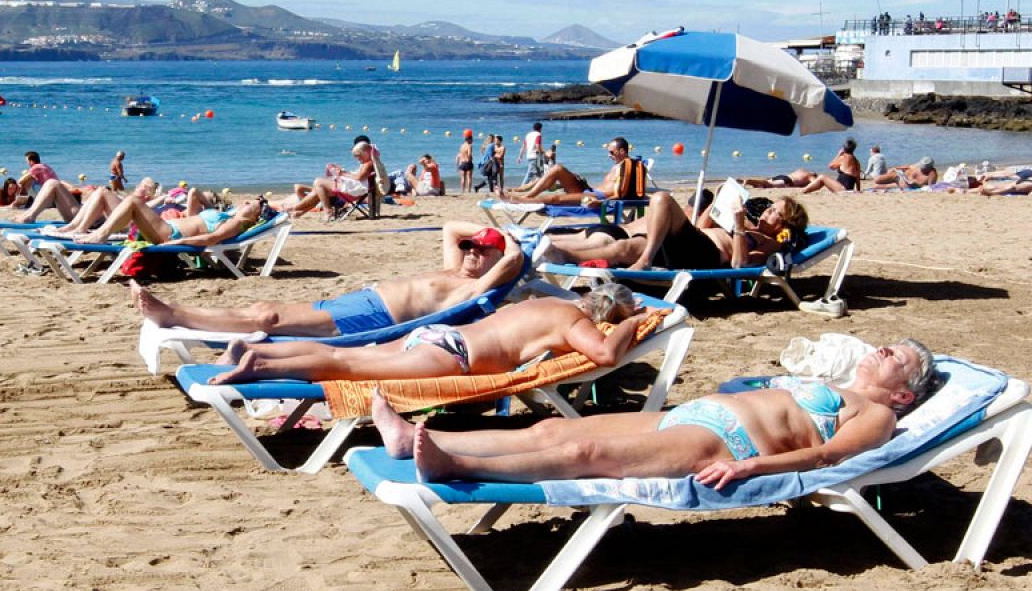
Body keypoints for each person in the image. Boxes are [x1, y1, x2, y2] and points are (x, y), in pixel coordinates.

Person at [385, 340, 937, 487]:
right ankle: (407, 436)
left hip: (729, 449)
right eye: (887, 346)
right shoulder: (829, 380)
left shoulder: (877, 416)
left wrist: (749, 469)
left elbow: (825, 457)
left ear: (904, 394)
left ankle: (453, 465)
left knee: (586, 455)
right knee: (552, 426)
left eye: (899, 358)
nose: (884, 351)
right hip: (696, 415)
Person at [209, 283, 655, 385]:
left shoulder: (548, 301)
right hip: (456, 354)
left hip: (438, 334)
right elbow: (604, 356)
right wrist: (631, 324)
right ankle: (259, 365)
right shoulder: (574, 322)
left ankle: (249, 347)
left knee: (350, 352)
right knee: (346, 365)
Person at [132, 224, 525, 337]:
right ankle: (180, 314)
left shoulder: (475, 287)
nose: (471, 252)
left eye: (481, 251)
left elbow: (513, 260)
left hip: (372, 319)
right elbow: (451, 227)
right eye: (470, 247)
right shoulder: (455, 268)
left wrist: (508, 245)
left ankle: (175, 314)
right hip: (361, 301)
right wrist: (489, 234)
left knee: (267, 317)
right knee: (266, 312)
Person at [538, 190, 807, 272]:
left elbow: (739, 265)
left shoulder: (771, 244)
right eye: (771, 207)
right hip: (693, 243)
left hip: (704, 256)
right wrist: (718, 204)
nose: (767, 211)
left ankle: (645, 262)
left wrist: (737, 227)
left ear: (784, 225)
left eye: (775, 213)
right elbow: (702, 227)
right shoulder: (748, 225)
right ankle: (558, 253)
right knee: (624, 249)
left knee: (662, 200)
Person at [74, 194, 271, 247]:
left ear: (255, 216)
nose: (245, 201)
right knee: (121, 199)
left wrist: (178, 242)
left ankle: (100, 235)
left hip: (168, 234)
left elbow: (211, 239)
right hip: (165, 228)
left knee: (133, 201)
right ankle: (88, 230)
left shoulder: (235, 224)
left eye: (251, 203)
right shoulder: (228, 216)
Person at [505, 137, 639, 206]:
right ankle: (527, 196)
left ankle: (522, 201)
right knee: (558, 169)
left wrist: (601, 202)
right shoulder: (618, 165)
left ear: (622, 151)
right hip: (590, 191)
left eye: (611, 152)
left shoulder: (628, 165)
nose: (609, 155)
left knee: (555, 198)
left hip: (597, 198)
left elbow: (621, 192)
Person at [43, 178, 165, 236]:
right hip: (119, 219)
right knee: (99, 192)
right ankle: (75, 226)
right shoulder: (131, 199)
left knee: (102, 191)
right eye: (140, 184)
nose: (139, 187)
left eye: (145, 187)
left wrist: (161, 198)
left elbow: (150, 207)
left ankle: (80, 228)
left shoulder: (144, 204)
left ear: (150, 194)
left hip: (127, 223)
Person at [281, 141, 375, 214]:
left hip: (354, 190)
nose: (357, 159)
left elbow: (359, 177)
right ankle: (297, 210)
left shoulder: (368, 164)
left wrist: (343, 173)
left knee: (318, 182)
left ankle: (327, 210)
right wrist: (343, 172)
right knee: (318, 190)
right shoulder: (368, 162)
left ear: (365, 153)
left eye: (358, 156)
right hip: (355, 188)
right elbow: (360, 176)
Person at [12, 151, 76, 222]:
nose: (27, 163)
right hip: (57, 197)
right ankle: (27, 207)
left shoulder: (36, 167)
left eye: (27, 161)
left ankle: (23, 202)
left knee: (28, 180)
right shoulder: (45, 166)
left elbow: (20, 181)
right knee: (32, 179)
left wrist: (19, 187)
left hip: (50, 195)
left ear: (31, 161)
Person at [797, 138, 863, 193]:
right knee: (822, 181)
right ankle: (806, 190)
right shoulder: (857, 161)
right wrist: (858, 190)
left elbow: (830, 166)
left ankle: (804, 191)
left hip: (842, 189)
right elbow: (857, 179)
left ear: (844, 148)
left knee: (822, 177)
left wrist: (838, 154)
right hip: (848, 188)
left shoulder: (844, 157)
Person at [869, 157, 938, 190]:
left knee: (876, 186)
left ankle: (883, 186)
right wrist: (895, 168)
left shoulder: (932, 174)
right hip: (899, 175)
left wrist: (916, 183)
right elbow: (907, 166)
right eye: (922, 166)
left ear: (930, 167)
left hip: (906, 184)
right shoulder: (918, 165)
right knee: (877, 180)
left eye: (924, 167)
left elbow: (930, 187)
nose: (922, 167)